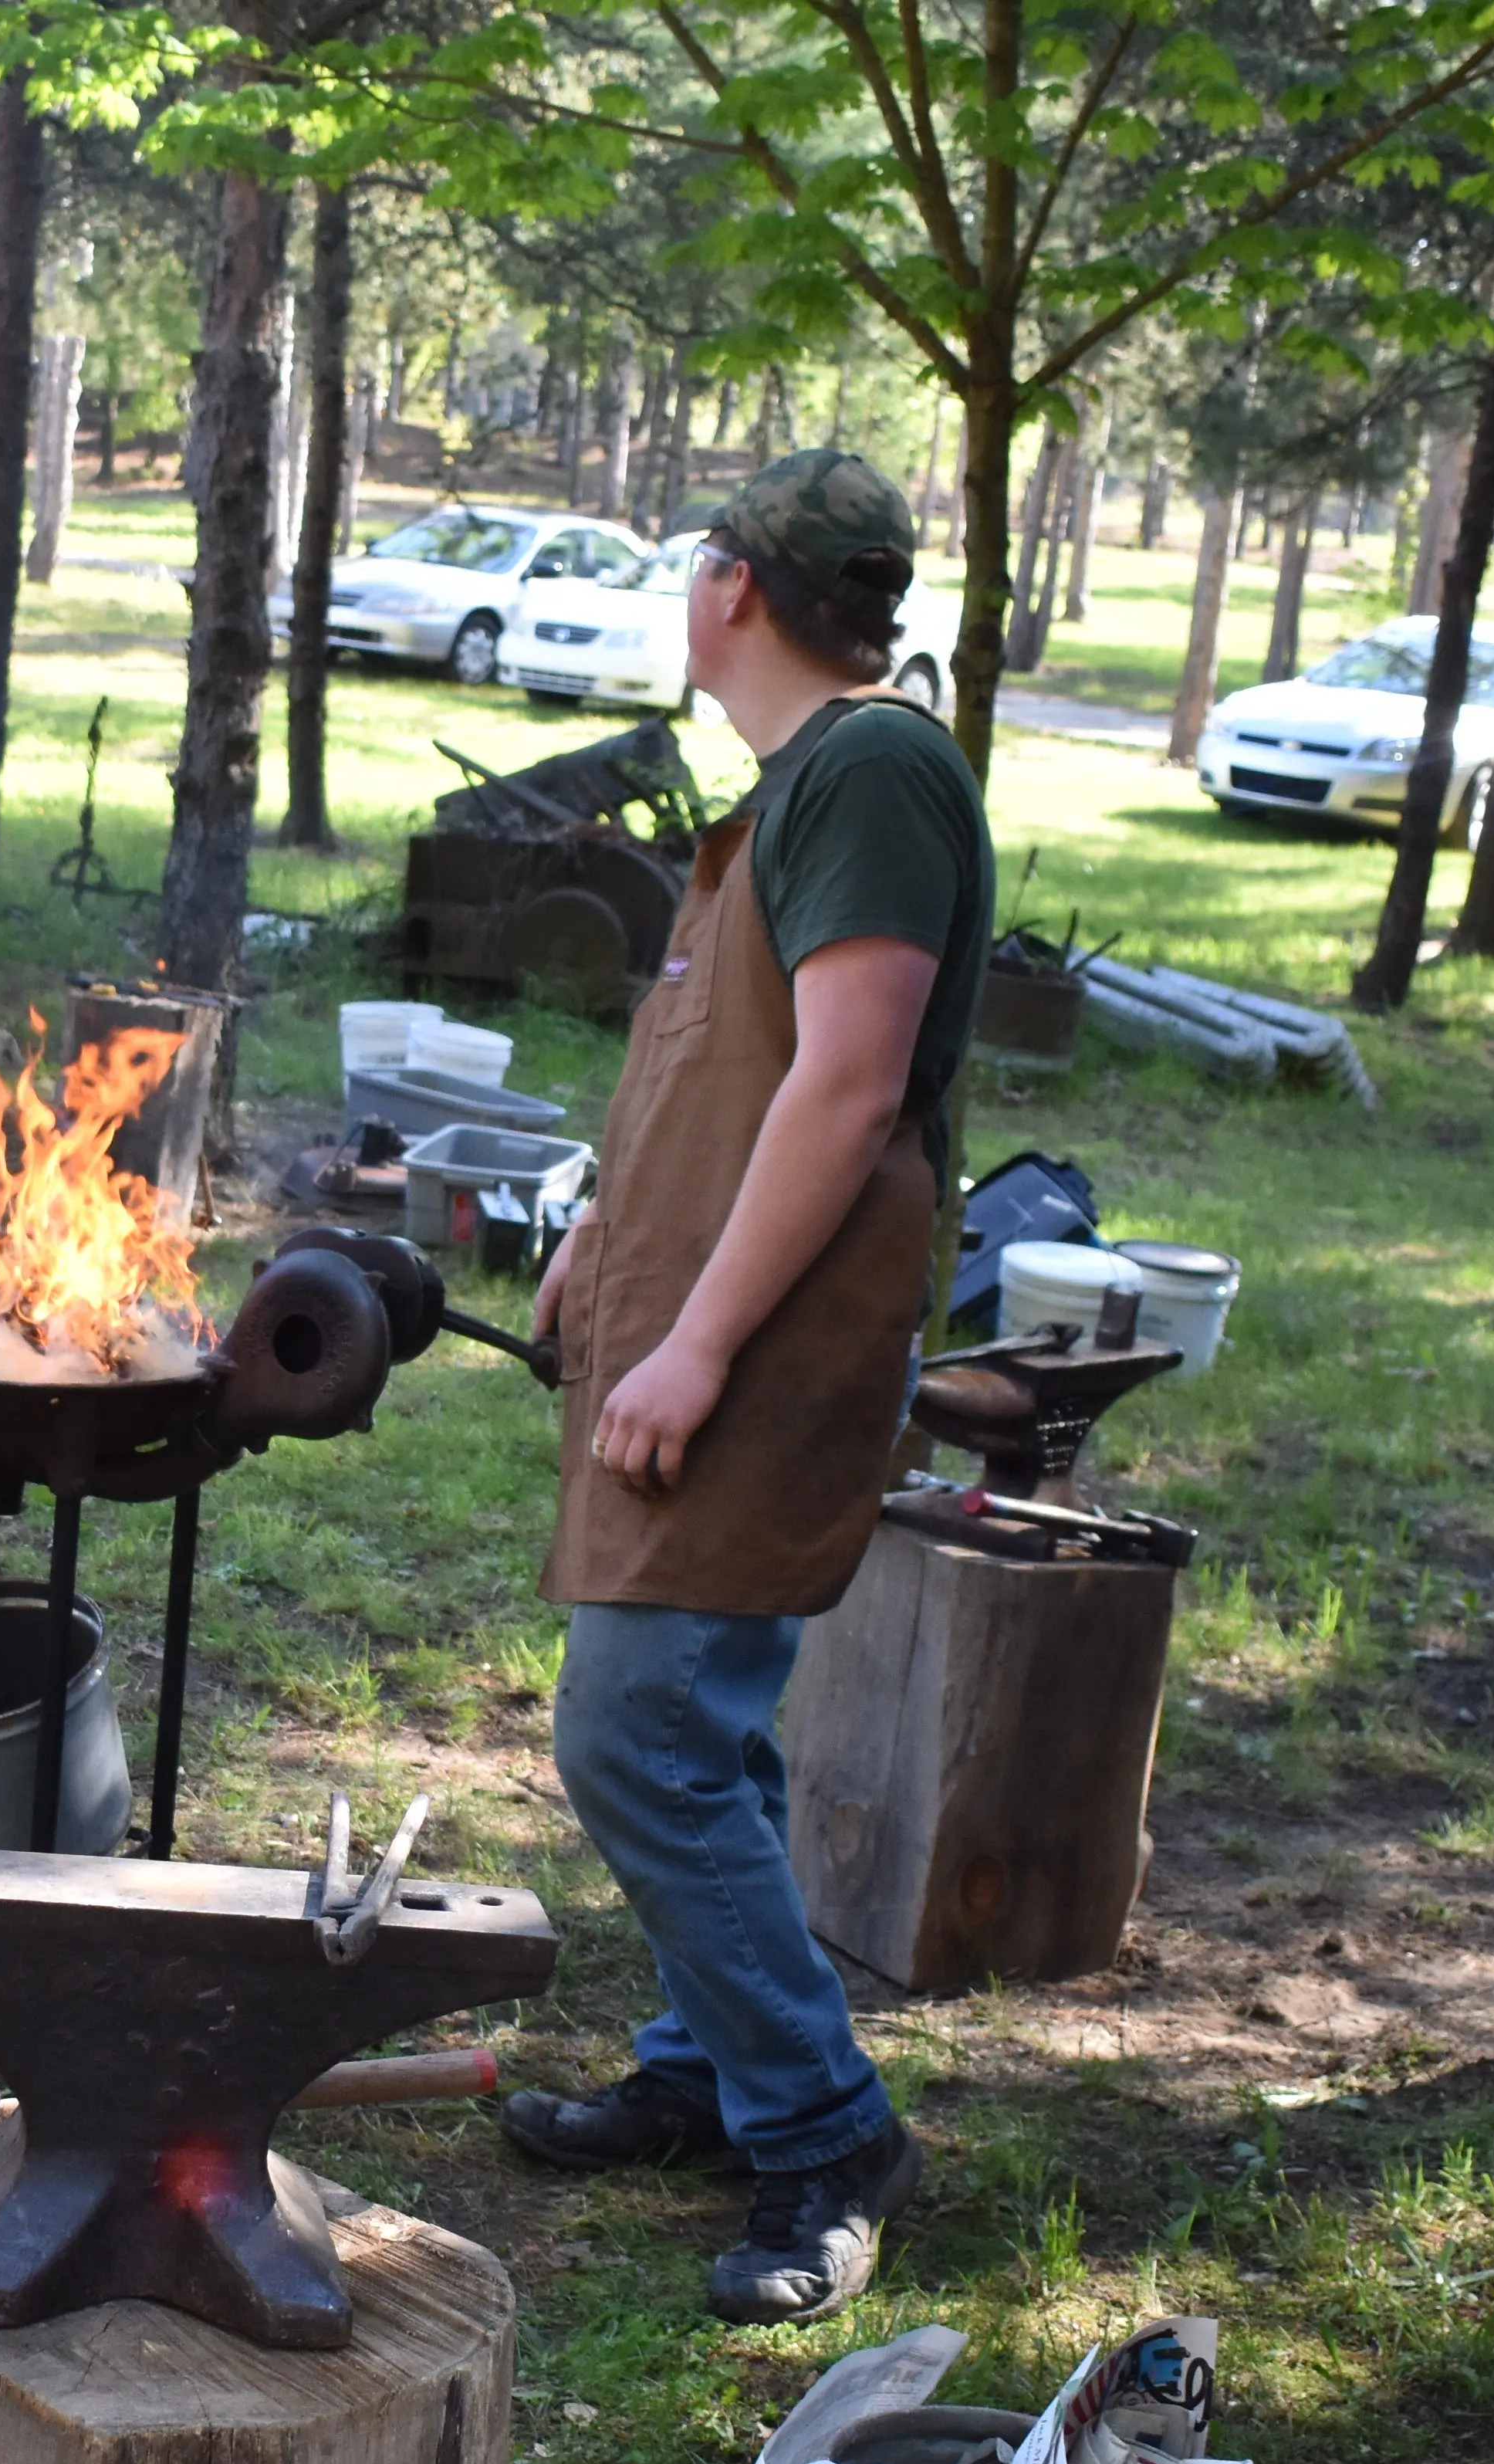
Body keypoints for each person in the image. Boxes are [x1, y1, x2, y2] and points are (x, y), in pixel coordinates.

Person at [498, 450, 992, 2325]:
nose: (687, 580)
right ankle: (708, 2064)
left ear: (739, 589)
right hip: (698, 1307)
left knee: (634, 1728)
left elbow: (846, 1085)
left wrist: (697, 1342)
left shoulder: (870, 768)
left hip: (770, 1345)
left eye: (704, 555)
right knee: (711, 1724)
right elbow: (725, 1073)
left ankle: (822, 2123)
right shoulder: (799, 784)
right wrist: (607, 1242)